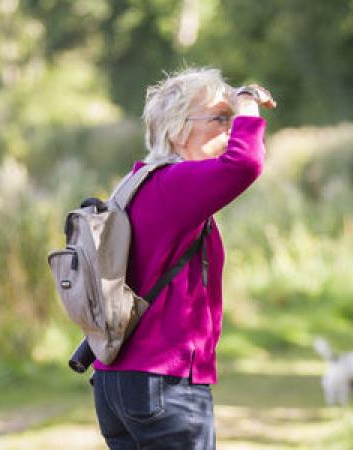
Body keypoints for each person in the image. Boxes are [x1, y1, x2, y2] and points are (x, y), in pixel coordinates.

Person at [92, 67, 275, 449]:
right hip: (164, 383)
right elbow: (246, 163)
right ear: (176, 132)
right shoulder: (175, 185)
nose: (231, 129)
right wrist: (246, 104)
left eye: (232, 119)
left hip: (118, 382)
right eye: (220, 119)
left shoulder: (140, 181)